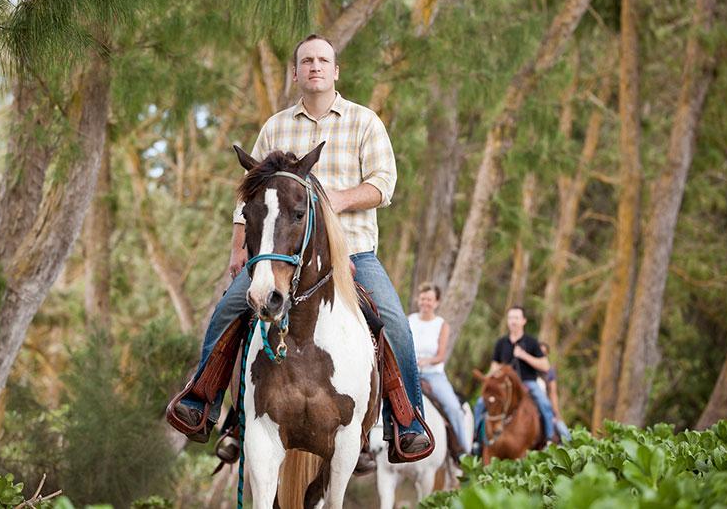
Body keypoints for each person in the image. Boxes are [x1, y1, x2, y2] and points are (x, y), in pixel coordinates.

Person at [171, 34, 430, 467]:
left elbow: (383, 184)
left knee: (396, 325)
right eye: (306, 61)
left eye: (323, 61)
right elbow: (249, 194)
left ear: (335, 71)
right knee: (229, 309)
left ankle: (403, 422)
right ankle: (208, 405)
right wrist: (239, 249)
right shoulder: (275, 126)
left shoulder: (364, 121)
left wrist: (330, 201)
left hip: (353, 254)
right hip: (280, 256)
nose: (315, 67)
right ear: (295, 73)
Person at [472, 306, 555, 448]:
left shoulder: (531, 342)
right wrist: (492, 375)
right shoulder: (501, 343)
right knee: (481, 403)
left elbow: (545, 366)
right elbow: (494, 365)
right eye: (510, 318)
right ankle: (476, 439)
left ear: (523, 321)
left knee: (545, 404)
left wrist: (524, 356)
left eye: (516, 318)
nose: (513, 321)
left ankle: (549, 439)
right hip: (504, 384)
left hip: (527, 382)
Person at [409, 282, 470, 454]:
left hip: (433, 375)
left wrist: (426, 361)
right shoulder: (410, 320)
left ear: (436, 302)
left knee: (454, 408)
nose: (425, 303)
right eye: (422, 299)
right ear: (417, 300)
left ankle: (464, 451)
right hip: (410, 373)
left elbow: (441, 355)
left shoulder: (441, 324)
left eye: (429, 299)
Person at [537, 342, 571, 442]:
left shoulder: (550, 372)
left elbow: (553, 393)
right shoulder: (529, 371)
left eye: (544, 354)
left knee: (564, 432)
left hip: (546, 407)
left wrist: (556, 413)